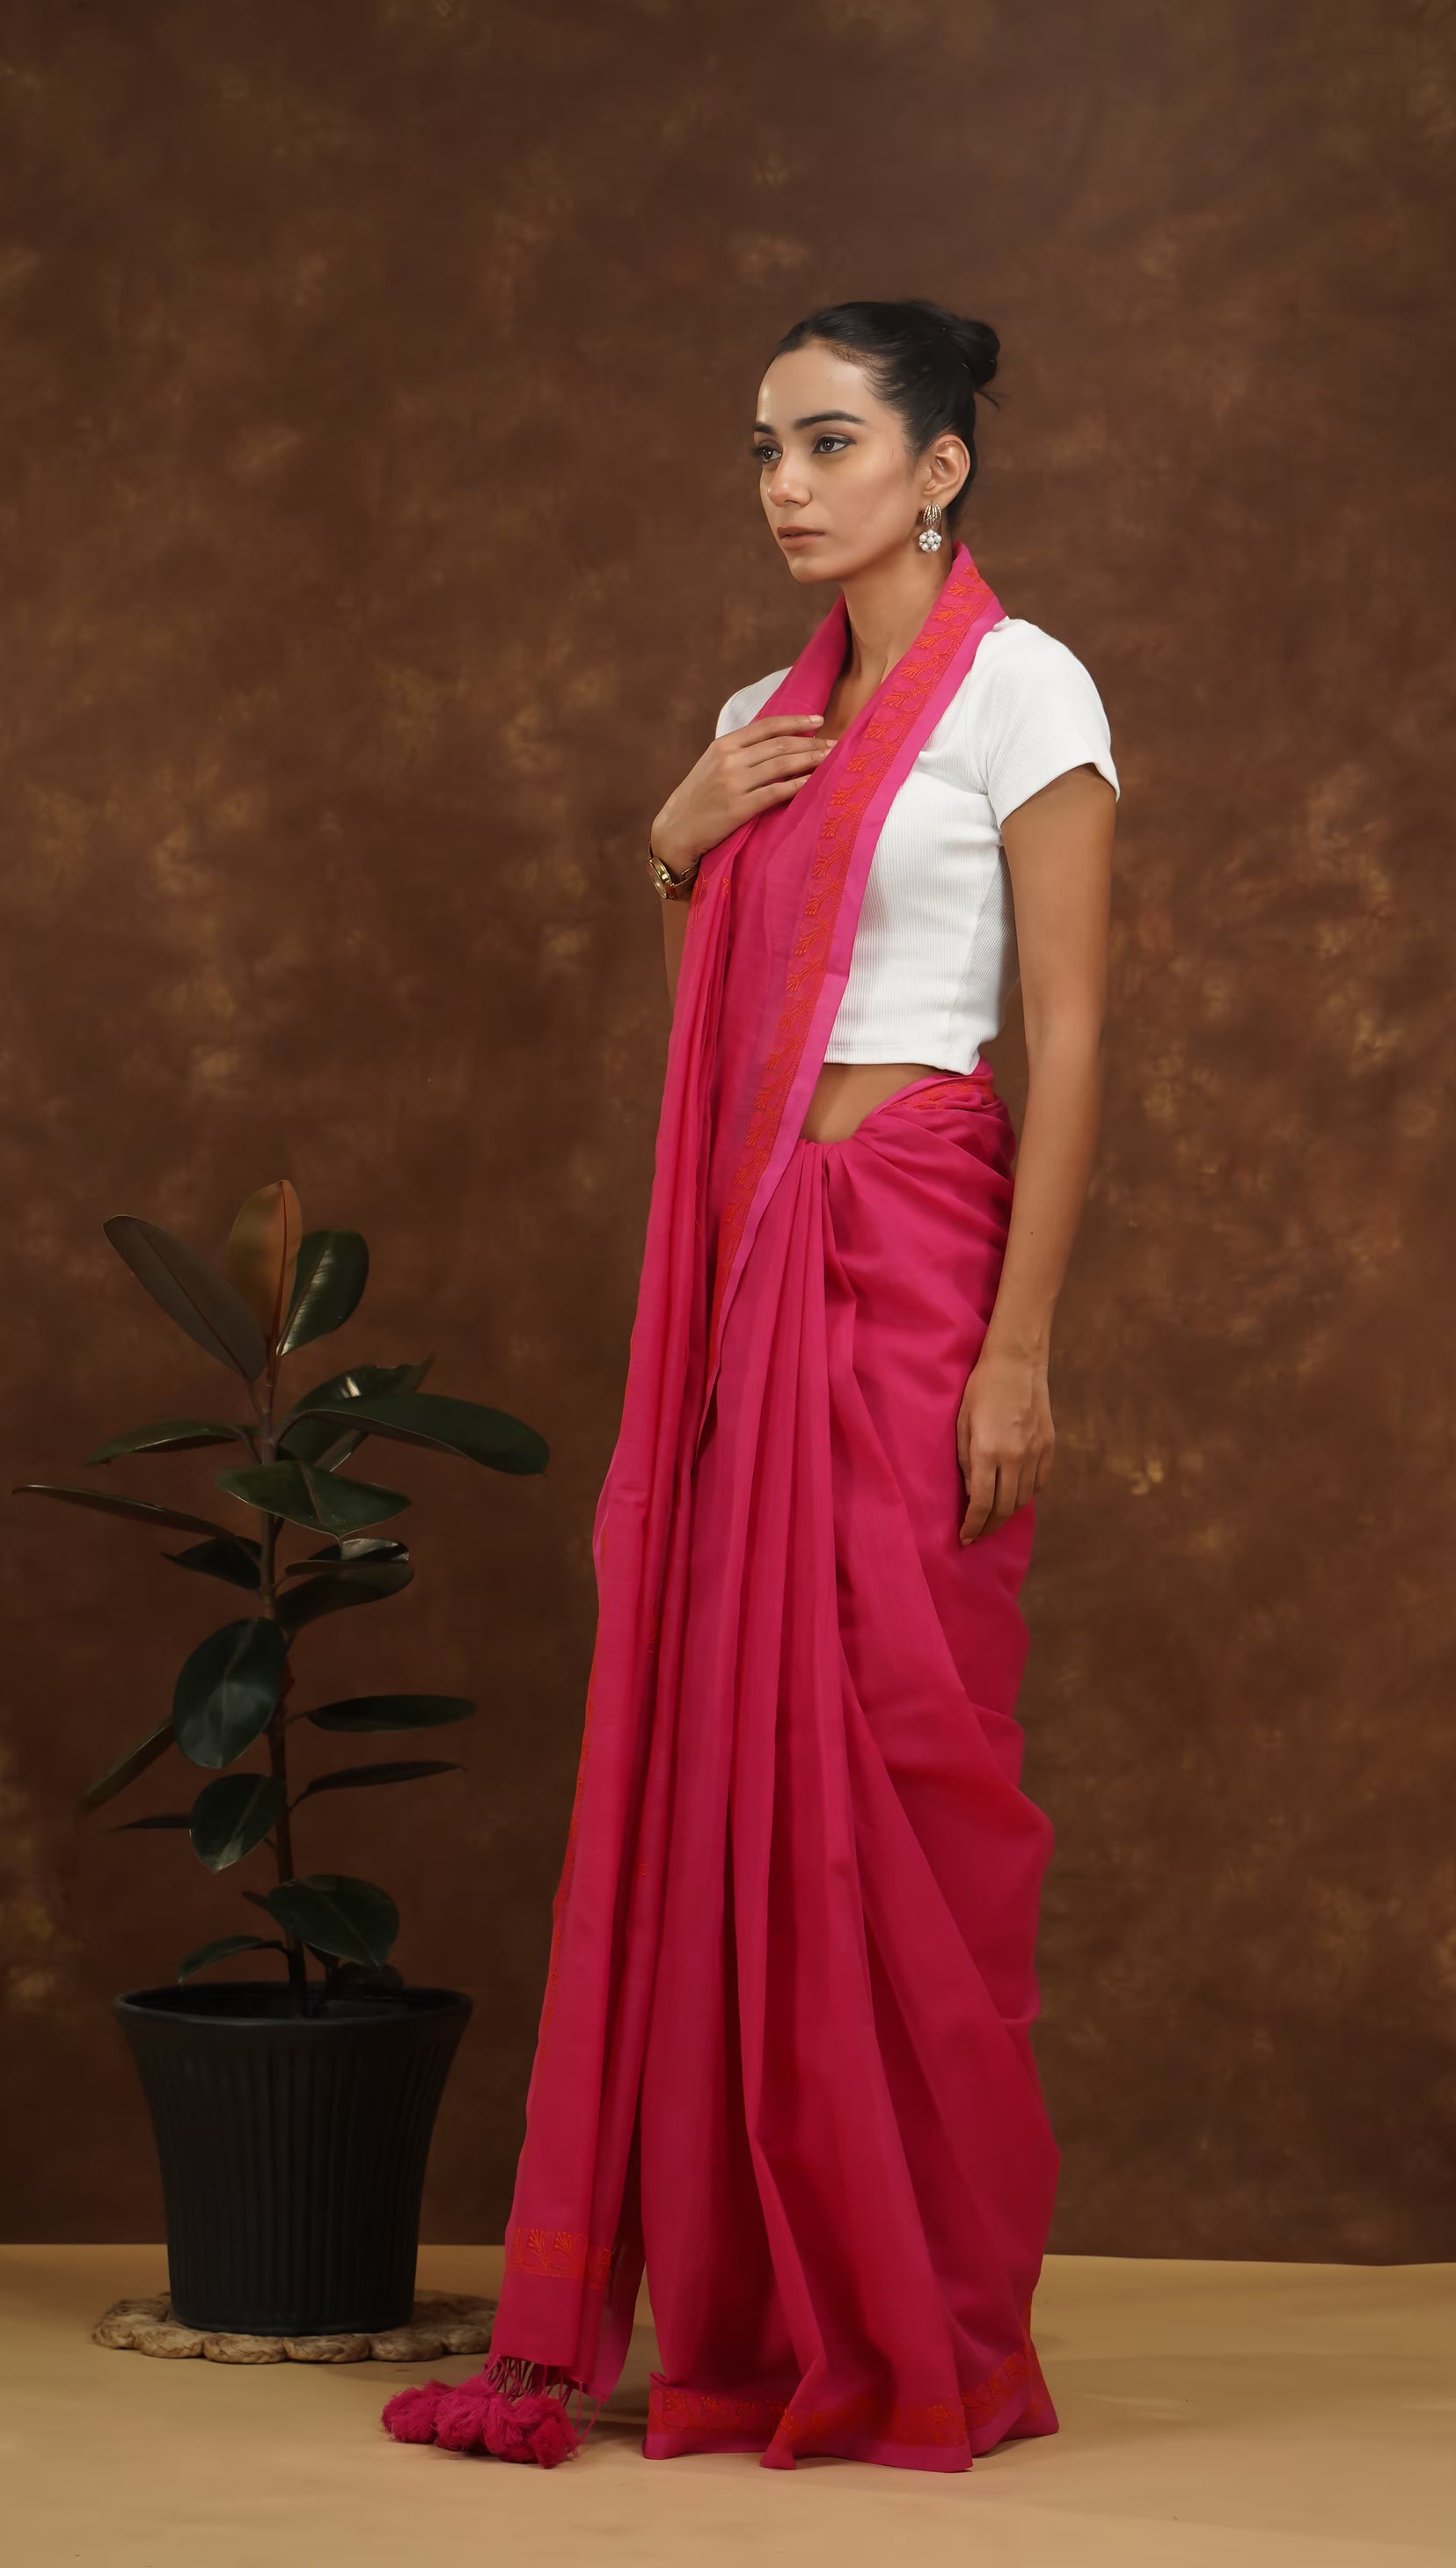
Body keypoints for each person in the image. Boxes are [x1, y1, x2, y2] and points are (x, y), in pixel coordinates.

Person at [384, 296, 1118, 2474]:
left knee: (893, 1753)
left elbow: (1072, 1031)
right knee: (734, 1770)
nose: (786, 484)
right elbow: (718, 1017)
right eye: (765, 449)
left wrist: (1019, 1344)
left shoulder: (1025, 685)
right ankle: (750, 2306)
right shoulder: (754, 724)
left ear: (939, 465)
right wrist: (670, 835)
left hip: (915, 1252)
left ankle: (914, 2311)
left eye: (828, 442)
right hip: (752, 1266)